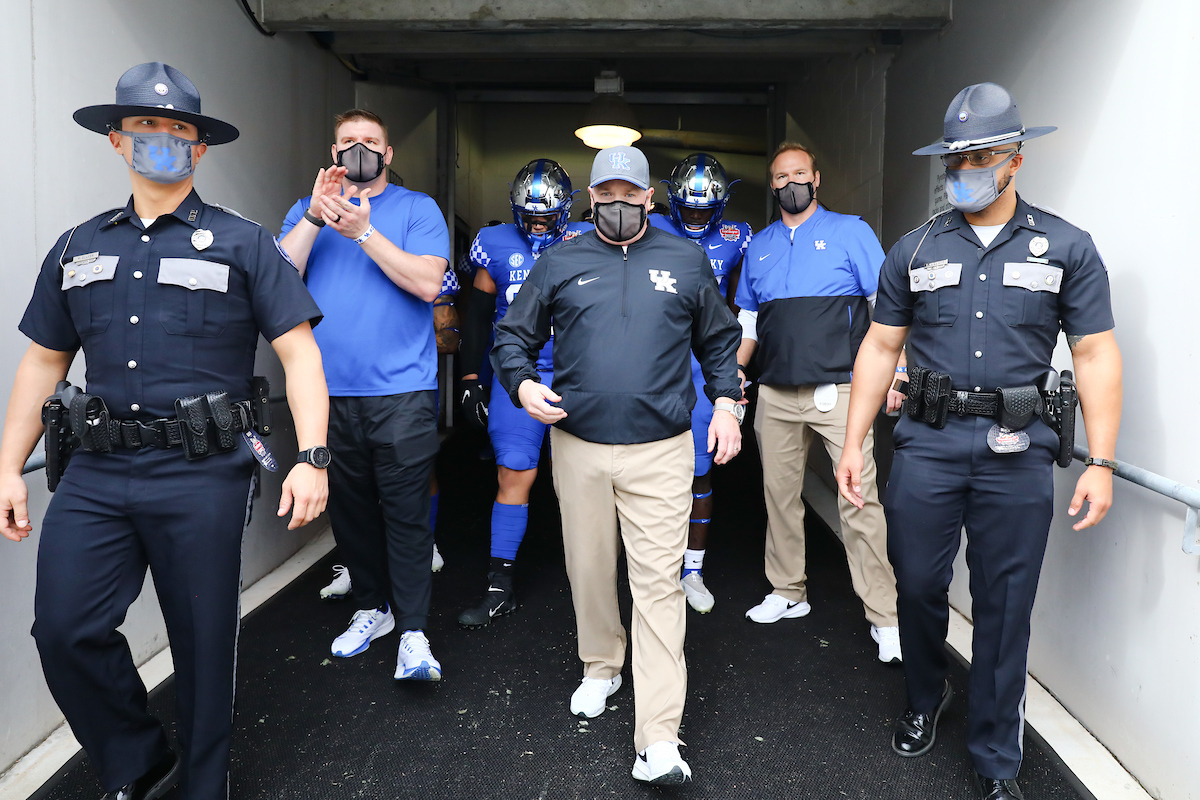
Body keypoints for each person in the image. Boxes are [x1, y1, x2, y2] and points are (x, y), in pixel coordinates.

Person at [0, 62, 329, 800]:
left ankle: (204, 787)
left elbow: (300, 354)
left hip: (205, 472)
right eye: (145, 127)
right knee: (64, 629)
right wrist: (4, 469)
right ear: (116, 140)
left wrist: (311, 457)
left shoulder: (244, 244)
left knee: (204, 641)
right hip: (96, 472)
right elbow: (43, 362)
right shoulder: (76, 246)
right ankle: (138, 761)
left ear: (200, 149)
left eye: (178, 129)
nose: (161, 140)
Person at [835, 83, 1122, 800]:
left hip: (1017, 448)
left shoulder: (1066, 246)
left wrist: (1103, 462)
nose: (963, 170)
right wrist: (852, 442)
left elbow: (1094, 354)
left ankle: (997, 756)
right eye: (954, 158)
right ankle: (926, 696)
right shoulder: (916, 247)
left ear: (1015, 160)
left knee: (1004, 603)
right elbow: (879, 347)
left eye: (979, 156)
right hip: (927, 444)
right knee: (921, 584)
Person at [492, 146, 743, 785]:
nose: (618, 204)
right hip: (577, 445)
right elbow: (512, 335)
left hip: (661, 450)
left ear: (649, 198)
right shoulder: (561, 259)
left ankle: (659, 735)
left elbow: (718, 341)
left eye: (629, 194)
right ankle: (601, 665)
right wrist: (520, 384)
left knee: (657, 584)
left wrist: (727, 405)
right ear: (591, 199)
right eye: (606, 194)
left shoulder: (685, 260)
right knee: (587, 568)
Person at [279, 108, 450, 680]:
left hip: (401, 393)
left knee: (404, 517)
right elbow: (275, 283)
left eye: (370, 142)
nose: (359, 150)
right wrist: (314, 215)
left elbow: (428, 283)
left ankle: (415, 632)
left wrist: (365, 232)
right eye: (348, 142)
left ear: (388, 153)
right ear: (333, 152)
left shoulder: (417, 209)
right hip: (326, 396)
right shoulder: (307, 213)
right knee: (349, 515)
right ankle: (370, 609)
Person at [734, 142, 902, 664]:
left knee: (858, 500)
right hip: (777, 393)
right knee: (779, 496)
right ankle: (788, 591)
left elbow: (886, 310)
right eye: (780, 177)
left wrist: (896, 374)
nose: (790, 184)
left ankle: (885, 615)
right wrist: (736, 371)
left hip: (841, 390)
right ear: (772, 185)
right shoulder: (757, 247)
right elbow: (748, 325)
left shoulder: (851, 232)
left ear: (817, 178)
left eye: (799, 174)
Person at [456, 159, 591, 628]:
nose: (537, 224)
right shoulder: (493, 243)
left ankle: (601, 585)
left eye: (545, 216)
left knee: (591, 482)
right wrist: (472, 378)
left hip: (579, 376)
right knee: (514, 474)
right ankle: (499, 585)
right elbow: (477, 313)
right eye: (528, 215)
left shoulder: (587, 238)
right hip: (518, 376)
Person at [316, 264, 460, 601]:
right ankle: (358, 563)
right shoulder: (338, 263)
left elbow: (448, 337)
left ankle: (425, 543)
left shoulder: (418, 252)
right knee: (354, 484)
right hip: (347, 388)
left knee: (417, 470)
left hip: (403, 385)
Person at [649, 153, 752, 613]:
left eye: (703, 210)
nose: (694, 217)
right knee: (644, 471)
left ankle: (692, 569)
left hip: (702, 365)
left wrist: (734, 367)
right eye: (686, 209)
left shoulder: (737, 237)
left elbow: (739, 307)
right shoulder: (646, 226)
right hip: (652, 364)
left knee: (700, 471)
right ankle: (653, 568)